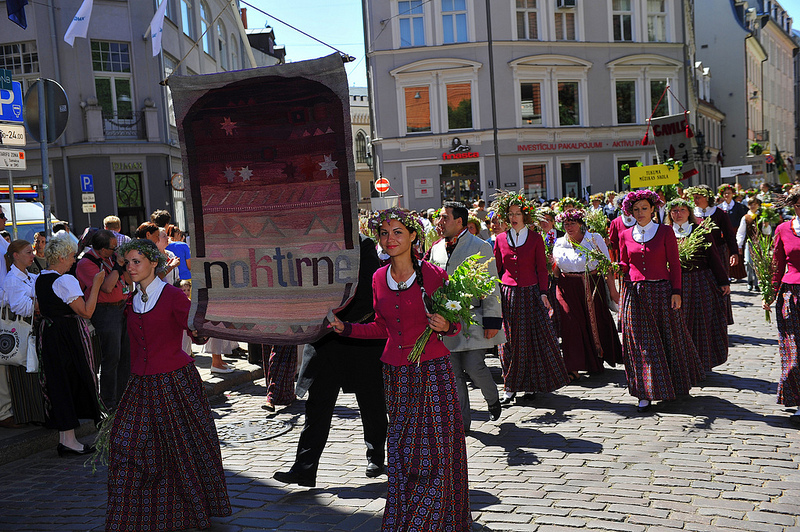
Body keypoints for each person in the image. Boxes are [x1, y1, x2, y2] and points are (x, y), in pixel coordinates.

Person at [329, 208, 470, 531]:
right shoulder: (379, 277)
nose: (389, 239)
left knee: (437, 444)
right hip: (396, 374)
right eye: (384, 233)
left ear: (413, 237)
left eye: (397, 233)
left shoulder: (433, 274)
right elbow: (382, 327)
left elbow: (456, 323)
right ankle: (409, 511)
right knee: (404, 446)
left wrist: (446, 324)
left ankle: (433, 517)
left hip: (433, 371)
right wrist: (346, 329)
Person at [106, 239, 231, 530]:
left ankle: (188, 508)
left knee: (181, 449)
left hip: (175, 381)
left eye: (137, 261)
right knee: (125, 444)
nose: (131, 268)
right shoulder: (132, 299)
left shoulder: (173, 296)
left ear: (153, 263)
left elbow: (196, 331)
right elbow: (136, 349)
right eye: (128, 262)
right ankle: (134, 512)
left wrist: (201, 328)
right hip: (141, 385)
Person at [274, 234, 388, 487]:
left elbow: (369, 295)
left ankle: (376, 456)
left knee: (372, 403)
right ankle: (304, 468)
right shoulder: (309, 246)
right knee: (317, 405)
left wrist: (341, 323)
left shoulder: (362, 244)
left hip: (359, 338)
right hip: (324, 341)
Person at [617, 190, 704, 413]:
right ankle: (644, 392)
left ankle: (672, 385)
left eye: (644, 208)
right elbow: (626, 263)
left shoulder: (665, 232)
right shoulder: (626, 234)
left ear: (653, 209)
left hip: (662, 292)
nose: (640, 213)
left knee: (668, 338)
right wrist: (617, 268)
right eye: (636, 210)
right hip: (635, 294)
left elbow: (674, 265)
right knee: (641, 344)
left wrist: (677, 291)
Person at [429, 201, 503, 432]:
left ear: (459, 221)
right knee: (453, 373)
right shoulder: (436, 248)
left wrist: (492, 320)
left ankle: (493, 400)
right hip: (446, 320)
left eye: (444, 218)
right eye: (439, 218)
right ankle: (463, 423)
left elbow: (491, 286)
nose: (440, 222)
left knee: (474, 367)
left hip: (474, 316)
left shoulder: (481, 246)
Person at [492, 192, 568, 406]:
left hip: (531, 294)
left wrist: (543, 293)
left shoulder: (535, 238)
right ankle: (510, 386)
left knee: (531, 341)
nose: (514, 217)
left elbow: (541, 269)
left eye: (518, 213)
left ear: (525, 216)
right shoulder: (499, 239)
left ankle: (532, 384)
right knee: (508, 341)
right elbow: (496, 270)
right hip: (507, 294)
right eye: (510, 214)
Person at [36, 235, 104, 454]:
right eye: (72, 256)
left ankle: (67, 439)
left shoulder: (41, 277)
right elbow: (86, 311)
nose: (74, 260)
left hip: (49, 334)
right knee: (71, 380)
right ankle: (68, 440)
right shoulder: (64, 280)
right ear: (63, 256)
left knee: (59, 383)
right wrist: (96, 285)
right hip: (66, 336)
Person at [552, 209, 622, 380]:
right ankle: (572, 367)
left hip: (591, 285)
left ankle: (593, 360)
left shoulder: (594, 239)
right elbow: (555, 271)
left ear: (581, 224)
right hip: (567, 287)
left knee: (592, 324)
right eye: (566, 224)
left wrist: (613, 291)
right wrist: (550, 264)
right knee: (570, 324)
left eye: (572, 223)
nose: (569, 227)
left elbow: (607, 266)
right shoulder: (560, 242)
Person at [665, 198, 730, 372]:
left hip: (699, 281)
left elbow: (713, 257)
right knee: (678, 322)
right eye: (674, 211)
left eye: (682, 210)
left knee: (700, 321)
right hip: (674, 284)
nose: (678, 214)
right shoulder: (664, 232)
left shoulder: (699, 230)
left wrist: (723, 281)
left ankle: (701, 361)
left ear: (689, 213)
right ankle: (681, 362)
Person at [75, 230, 131, 411]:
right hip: (105, 312)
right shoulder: (86, 263)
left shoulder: (111, 258)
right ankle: (108, 402)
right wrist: (117, 267)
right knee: (112, 357)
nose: (115, 251)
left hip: (122, 307)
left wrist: (124, 265)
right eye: (112, 248)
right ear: (100, 249)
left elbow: (128, 281)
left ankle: (124, 397)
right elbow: (106, 287)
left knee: (125, 356)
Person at [0, 240, 45, 427]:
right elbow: (20, 307)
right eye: (28, 252)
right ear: (16, 256)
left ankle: (36, 412)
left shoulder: (29, 276)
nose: (32, 255)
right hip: (21, 331)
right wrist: (38, 303)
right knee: (23, 372)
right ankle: (27, 413)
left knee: (33, 371)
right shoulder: (12, 279)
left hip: (30, 330)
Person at [767, 191, 800, 426]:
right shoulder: (783, 229)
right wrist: (769, 293)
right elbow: (777, 262)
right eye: (797, 205)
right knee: (795, 350)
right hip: (791, 295)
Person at [687, 185, 739, 324]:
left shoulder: (719, 213)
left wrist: (734, 252)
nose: (695, 200)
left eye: (698, 197)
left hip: (719, 254)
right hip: (699, 256)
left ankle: (722, 317)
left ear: (707, 197)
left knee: (720, 284)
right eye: (694, 197)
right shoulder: (691, 213)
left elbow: (729, 235)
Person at [737, 197, 772, 292]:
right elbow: (741, 232)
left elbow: (767, 232)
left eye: (754, 204)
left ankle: (757, 283)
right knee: (748, 262)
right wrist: (739, 245)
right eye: (750, 204)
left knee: (758, 263)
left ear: (758, 205)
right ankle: (749, 281)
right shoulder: (745, 217)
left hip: (759, 242)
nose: (752, 206)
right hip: (749, 242)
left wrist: (766, 225)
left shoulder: (762, 216)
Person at [718, 184, 748, 279]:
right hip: (724, 233)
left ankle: (737, 274)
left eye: (729, 193)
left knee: (736, 251)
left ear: (733, 194)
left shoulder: (739, 206)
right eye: (725, 193)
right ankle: (728, 274)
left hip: (736, 231)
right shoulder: (719, 207)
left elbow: (744, 219)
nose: (727, 195)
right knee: (725, 252)